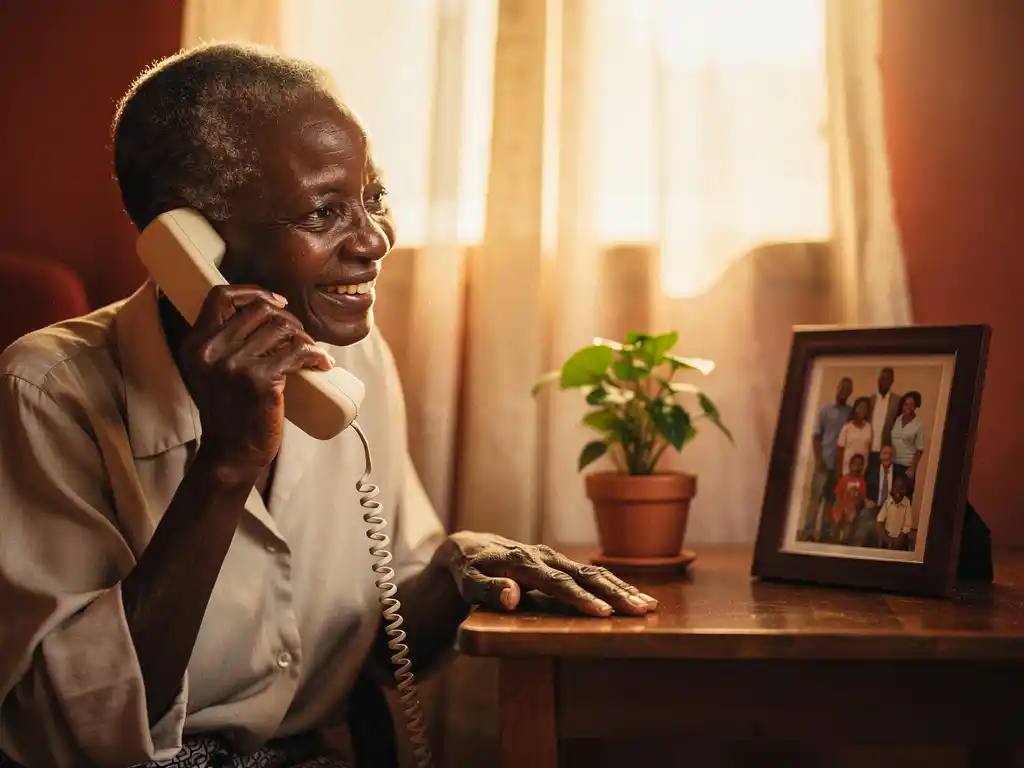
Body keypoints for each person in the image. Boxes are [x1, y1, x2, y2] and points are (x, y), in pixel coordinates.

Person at [0, 43, 657, 768]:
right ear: (190, 244)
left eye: (372, 197)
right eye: (324, 212)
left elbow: (380, 635)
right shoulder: (48, 390)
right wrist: (226, 465)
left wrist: (459, 563)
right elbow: (61, 732)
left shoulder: (350, 357)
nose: (375, 240)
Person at [801, 377, 853, 541]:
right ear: (837, 388)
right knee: (815, 499)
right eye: (842, 387)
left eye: (848, 389)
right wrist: (818, 459)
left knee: (831, 501)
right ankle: (808, 532)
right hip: (823, 463)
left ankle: (824, 533)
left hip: (838, 467)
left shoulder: (850, 413)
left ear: (850, 393)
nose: (844, 391)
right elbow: (816, 436)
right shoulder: (825, 410)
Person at [891, 390, 925, 499]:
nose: (908, 407)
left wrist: (912, 468)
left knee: (904, 499)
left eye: (911, 404)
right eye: (906, 404)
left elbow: (919, 450)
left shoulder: (918, 425)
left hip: (906, 467)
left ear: (916, 406)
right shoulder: (897, 419)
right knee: (890, 497)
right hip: (893, 464)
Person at [867, 367, 900, 479]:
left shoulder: (897, 401)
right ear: (878, 380)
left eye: (887, 379)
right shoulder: (870, 400)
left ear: (892, 381)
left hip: (886, 452)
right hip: (869, 450)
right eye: (882, 378)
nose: (884, 381)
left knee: (883, 484)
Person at [829, 452, 868, 545]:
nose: (857, 467)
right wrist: (839, 505)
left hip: (853, 506)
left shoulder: (861, 481)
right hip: (842, 503)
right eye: (855, 464)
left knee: (850, 517)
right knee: (837, 516)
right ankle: (834, 538)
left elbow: (862, 496)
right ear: (850, 465)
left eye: (859, 465)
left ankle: (844, 540)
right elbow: (838, 494)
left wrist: (856, 504)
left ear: (862, 467)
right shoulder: (844, 479)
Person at [836, 396, 872, 478]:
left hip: (861, 471)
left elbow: (868, 448)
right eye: (861, 407)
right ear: (855, 408)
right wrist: (838, 474)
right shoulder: (847, 427)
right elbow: (839, 451)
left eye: (865, 408)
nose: (863, 410)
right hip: (847, 470)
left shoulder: (868, 427)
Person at [875, 476, 914, 550]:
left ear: (905, 490)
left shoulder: (907, 503)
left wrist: (900, 537)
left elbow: (907, 525)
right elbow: (879, 520)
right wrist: (887, 539)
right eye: (895, 488)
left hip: (900, 536)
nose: (898, 491)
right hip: (887, 536)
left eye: (901, 488)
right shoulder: (887, 502)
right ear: (891, 489)